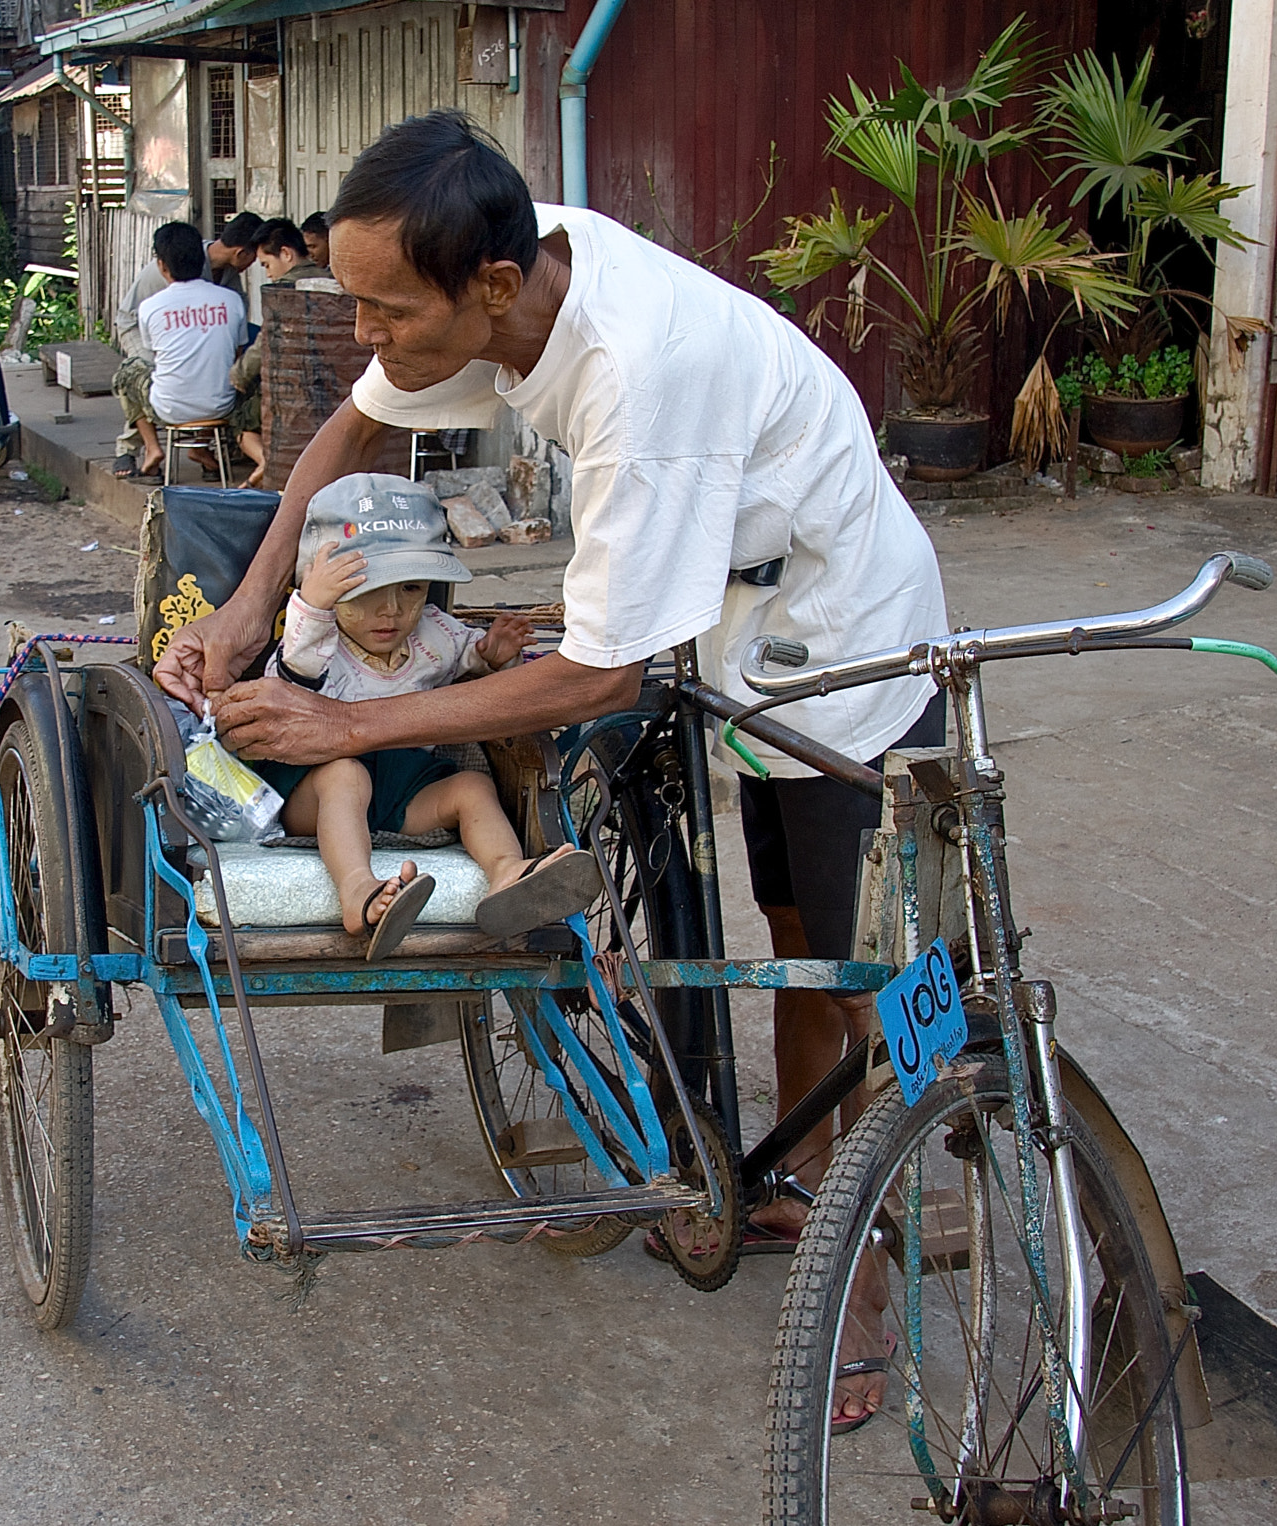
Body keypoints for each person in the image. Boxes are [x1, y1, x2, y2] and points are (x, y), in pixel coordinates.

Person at [154, 111, 945, 1431]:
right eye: (350, 301)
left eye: (383, 310)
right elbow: (345, 436)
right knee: (795, 922)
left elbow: (599, 676)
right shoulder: (490, 289)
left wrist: (345, 730)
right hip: (733, 618)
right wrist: (248, 604)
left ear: (495, 290)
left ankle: (867, 1264)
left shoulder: (638, 374)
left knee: (859, 959)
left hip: (847, 631)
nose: (366, 336)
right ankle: (791, 1183)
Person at [263, 473, 598, 959]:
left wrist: (493, 653)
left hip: (404, 790)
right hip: (313, 792)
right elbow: (295, 666)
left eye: (412, 589)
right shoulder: (317, 642)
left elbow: (468, 657)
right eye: (363, 593)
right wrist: (313, 603)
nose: (391, 611)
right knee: (345, 774)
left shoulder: (433, 632)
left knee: (471, 787)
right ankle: (358, 890)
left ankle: (507, 873)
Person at [112, 211, 263, 478]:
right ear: (241, 253)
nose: (259, 262)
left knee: (136, 377)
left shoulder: (226, 275)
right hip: (136, 324)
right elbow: (160, 353)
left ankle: (199, 446)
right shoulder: (172, 272)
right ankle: (132, 447)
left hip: (168, 337)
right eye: (256, 256)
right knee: (143, 367)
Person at [225, 219, 335, 487]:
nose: (268, 274)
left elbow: (265, 343)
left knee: (239, 417)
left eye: (266, 264)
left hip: (293, 388)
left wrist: (237, 376)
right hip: (335, 385)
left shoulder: (284, 292)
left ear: (286, 254)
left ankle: (267, 462)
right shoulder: (333, 279)